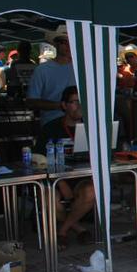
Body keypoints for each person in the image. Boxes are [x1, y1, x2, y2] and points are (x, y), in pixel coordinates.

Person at [34, 86, 95, 249]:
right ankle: (79, 228)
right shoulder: (51, 128)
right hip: (56, 178)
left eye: (82, 102)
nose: (79, 106)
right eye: (74, 102)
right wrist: (60, 182)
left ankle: (63, 231)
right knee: (48, 197)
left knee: (91, 191)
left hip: (84, 177)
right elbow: (40, 159)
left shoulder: (93, 127)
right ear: (64, 105)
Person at [27, 26, 76, 126]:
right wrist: (59, 106)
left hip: (78, 124)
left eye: (71, 41)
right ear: (56, 44)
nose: (68, 45)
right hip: (51, 124)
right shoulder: (42, 70)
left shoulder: (82, 69)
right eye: (64, 42)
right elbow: (31, 102)